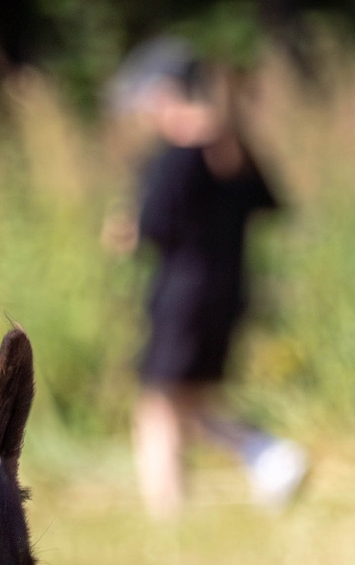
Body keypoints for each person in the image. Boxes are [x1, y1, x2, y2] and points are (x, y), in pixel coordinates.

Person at [102, 38, 308, 517]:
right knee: (190, 404)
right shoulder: (231, 151)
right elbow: (271, 205)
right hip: (228, 293)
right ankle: (269, 455)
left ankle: (167, 512)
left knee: (156, 406)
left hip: (181, 295)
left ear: (164, 96)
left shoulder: (174, 156)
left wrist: (124, 231)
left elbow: (151, 227)